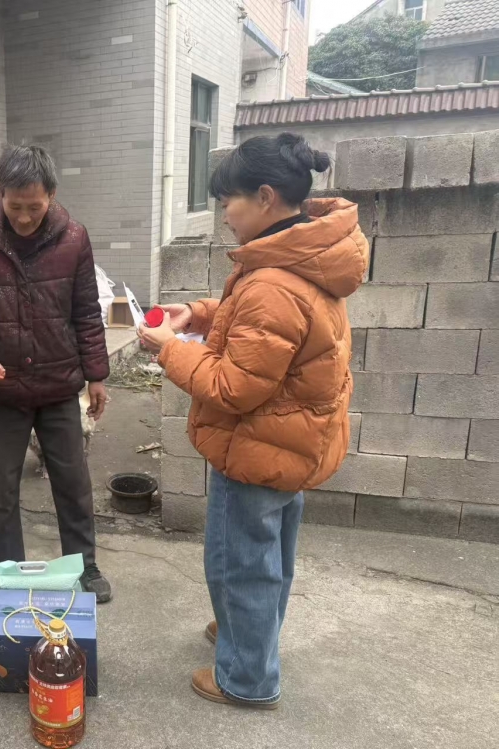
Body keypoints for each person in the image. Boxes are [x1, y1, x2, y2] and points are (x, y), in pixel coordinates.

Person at [140, 133, 368, 708]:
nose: (224, 215)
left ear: (265, 196)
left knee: (239, 564)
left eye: (228, 202)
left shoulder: (272, 279)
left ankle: (246, 677)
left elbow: (231, 387)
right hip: (290, 442)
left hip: (257, 446)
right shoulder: (302, 254)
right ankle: (248, 632)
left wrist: (170, 349)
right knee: (268, 558)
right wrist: (198, 314)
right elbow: (260, 327)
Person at [0, 144, 112, 603]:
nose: (23, 218)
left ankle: (85, 565)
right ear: (0, 192)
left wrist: (97, 374)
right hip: (1, 390)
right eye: (14, 206)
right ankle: (8, 575)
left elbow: (86, 312)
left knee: (73, 483)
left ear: (51, 195)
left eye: (34, 207)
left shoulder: (74, 238)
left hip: (58, 386)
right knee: (2, 490)